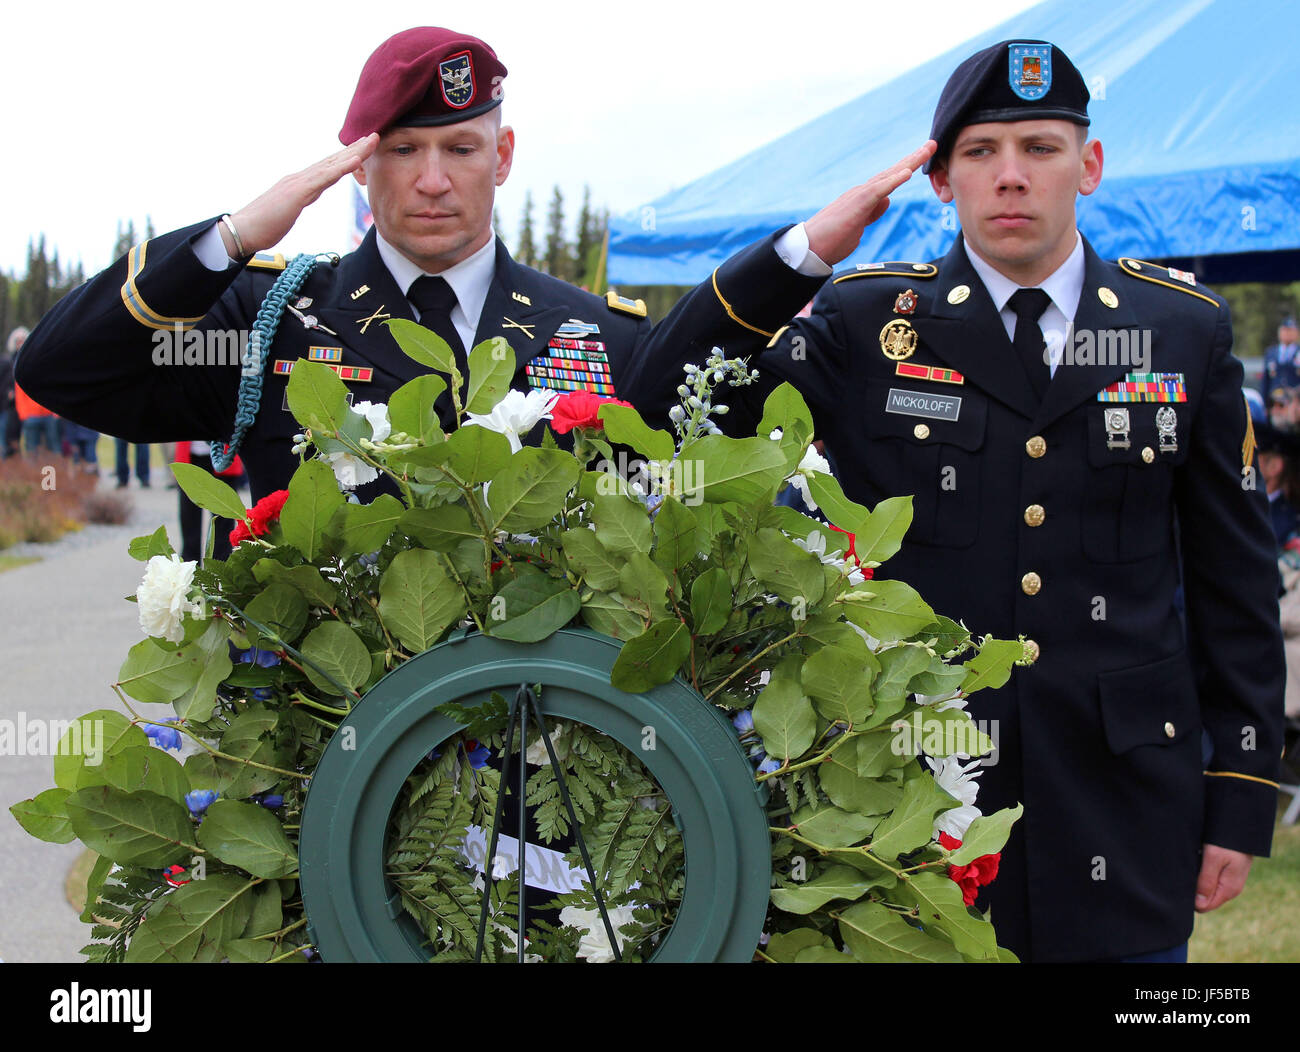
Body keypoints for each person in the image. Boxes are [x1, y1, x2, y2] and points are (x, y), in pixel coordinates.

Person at [623, 39, 1284, 963]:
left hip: (1121, 804)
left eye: (1040, 149)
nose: (1010, 177)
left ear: (1088, 166)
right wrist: (803, 254)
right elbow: (660, 403)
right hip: (908, 801)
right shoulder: (869, 324)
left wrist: (1242, 788)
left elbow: (1235, 582)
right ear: (940, 180)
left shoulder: (1178, 329)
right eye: (979, 153)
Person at [14, 26, 846, 503]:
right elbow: (63, 372)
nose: (434, 179)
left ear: (505, 154)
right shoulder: (273, 324)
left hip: (544, 779)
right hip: (324, 781)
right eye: (404, 149)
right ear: (357, 168)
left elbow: (693, 460)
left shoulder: (598, 334)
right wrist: (229, 238)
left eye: (461, 147)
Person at [1261, 315, 1300, 408]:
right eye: (1285, 330)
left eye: (1290, 330)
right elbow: (1265, 380)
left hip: (1294, 403)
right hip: (1274, 401)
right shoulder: (1271, 353)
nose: (1287, 333)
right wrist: (1264, 404)